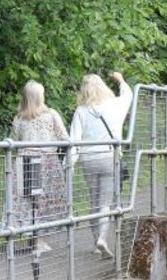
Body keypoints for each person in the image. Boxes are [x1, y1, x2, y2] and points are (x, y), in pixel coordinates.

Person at [69, 71, 133, 258]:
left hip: (89, 160)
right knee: (105, 203)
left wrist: (70, 164)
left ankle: (96, 242)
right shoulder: (114, 105)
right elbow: (128, 95)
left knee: (94, 201)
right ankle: (102, 239)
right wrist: (120, 80)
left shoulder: (80, 111)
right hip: (109, 157)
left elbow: (74, 140)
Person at [9, 81, 69, 256]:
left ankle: (33, 238)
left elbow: (13, 140)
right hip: (46, 161)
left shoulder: (19, 118)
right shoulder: (51, 115)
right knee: (42, 201)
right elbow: (64, 137)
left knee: (28, 200)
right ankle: (37, 240)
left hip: (24, 160)